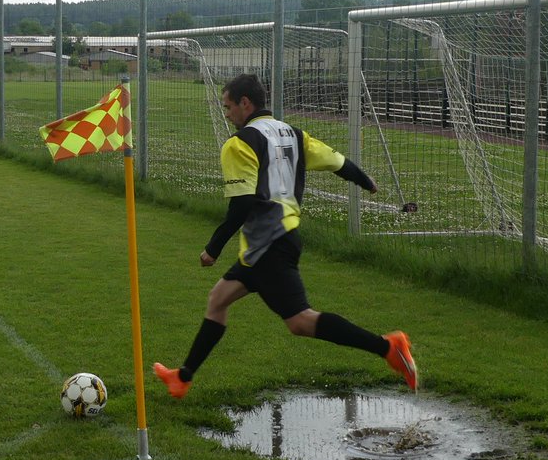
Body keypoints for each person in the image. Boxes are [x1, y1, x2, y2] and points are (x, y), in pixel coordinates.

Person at [153, 73, 417, 400]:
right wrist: (364, 180)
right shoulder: (293, 133)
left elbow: (243, 204)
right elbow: (336, 160)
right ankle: (182, 377)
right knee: (218, 299)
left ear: (245, 103)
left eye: (228, 106)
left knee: (300, 322)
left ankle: (388, 346)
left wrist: (212, 248)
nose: (227, 113)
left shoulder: (239, 143)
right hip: (273, 242)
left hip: (269, 244)